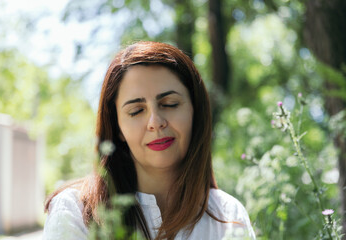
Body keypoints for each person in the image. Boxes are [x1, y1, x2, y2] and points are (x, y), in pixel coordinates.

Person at [43, 41, 256, 240]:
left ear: (195, 112)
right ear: (117, 127)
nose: (155, 122)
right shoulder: (75, 212)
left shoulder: (229, 216)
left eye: (170, 104)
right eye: (136, 111)